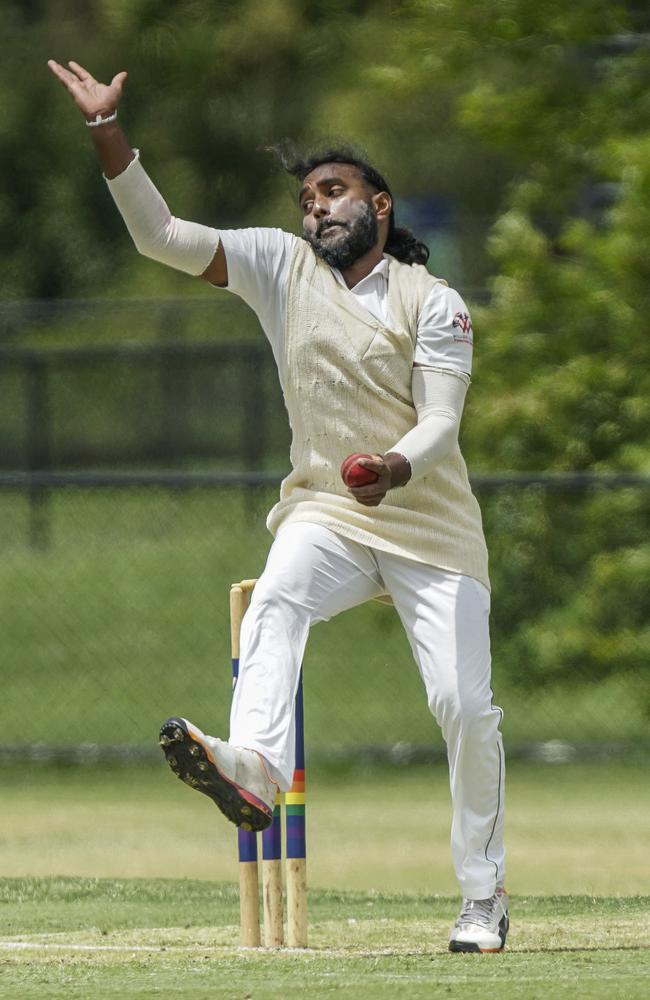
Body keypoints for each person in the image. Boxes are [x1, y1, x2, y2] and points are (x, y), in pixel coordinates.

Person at [48, 59, 508, 953]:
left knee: (464, 708)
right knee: (278, 594)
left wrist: (393, 467)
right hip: (328, 511)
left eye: (334, 192)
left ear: (379, 206)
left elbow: (444, 424)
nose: (316, 209)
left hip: (430, 528)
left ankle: (482, 899)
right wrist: (108, 134)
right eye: (307, 198)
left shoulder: (435, 302)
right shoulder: (279, 265)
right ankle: (253, 766)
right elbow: (161, 237)